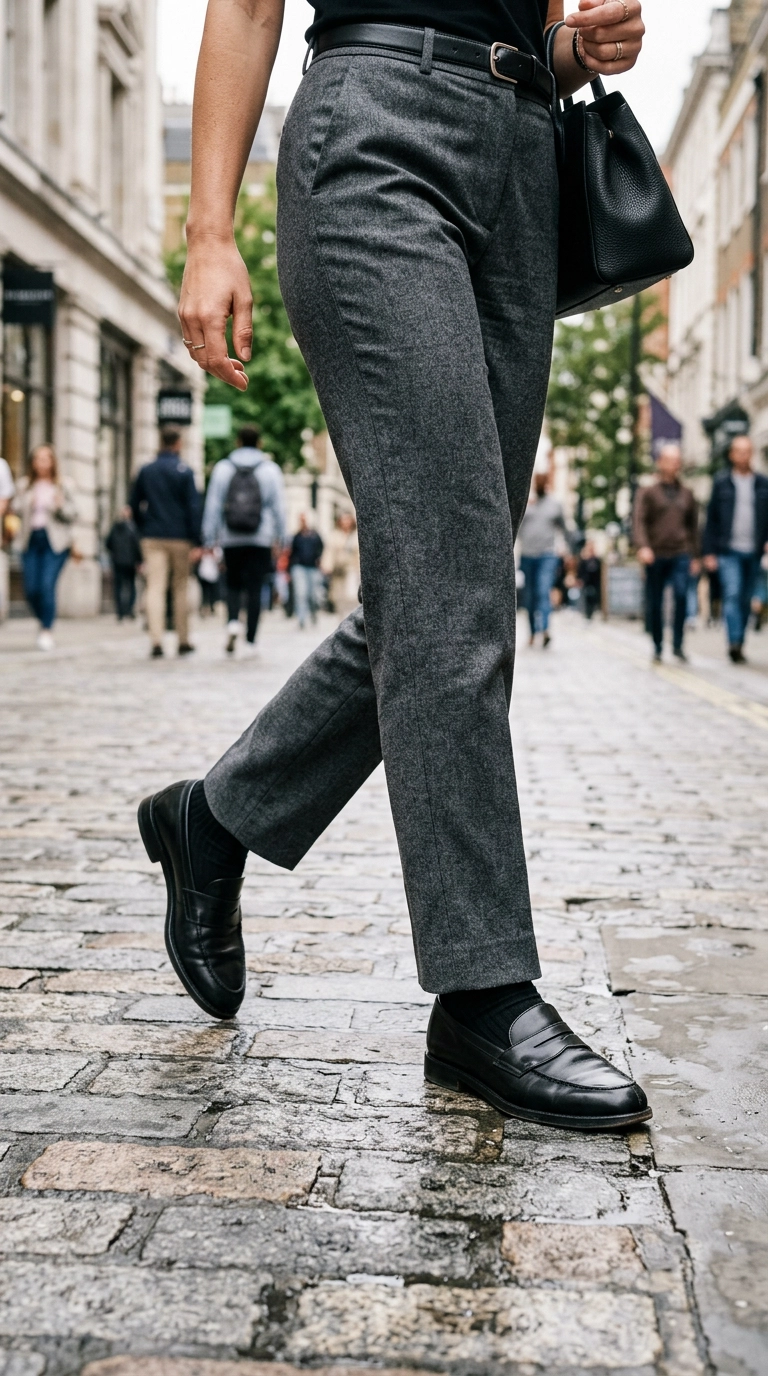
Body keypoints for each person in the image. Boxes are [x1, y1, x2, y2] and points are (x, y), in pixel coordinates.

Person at [137, 0, 651, 1134]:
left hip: (523, 149)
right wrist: (209, 231)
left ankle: (212, 821)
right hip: (377, 132)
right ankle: (481, 992)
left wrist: (574, 49)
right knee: (453, 594)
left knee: (438, 586)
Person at [201, 424, 287, 654]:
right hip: (261, 538)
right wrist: (282, 538)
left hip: (231, 537)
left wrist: (209, 539)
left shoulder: (223, 468)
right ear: (260, 443)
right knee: (255, 588)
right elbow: (279, 507)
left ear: (238, 442)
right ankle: (250, 640)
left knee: (232, 584)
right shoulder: (270, 469)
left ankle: (231, 622)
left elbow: (213, 505)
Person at [130, 426, 201, 659]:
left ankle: (156, 639)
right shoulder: (185, 471)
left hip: (153, 536)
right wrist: (196, 539)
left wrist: (144, 527)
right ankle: (183, 639)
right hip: (180, 536)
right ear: (178, 443)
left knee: (155, 587)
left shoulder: (147, 470)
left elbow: (133, 503)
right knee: (180, 586)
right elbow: (193, 507)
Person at [703, 435, 768, 664]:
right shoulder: (722, 482)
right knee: (732, 593)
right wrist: (708, 552)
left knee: (745, 598)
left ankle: (740, 641)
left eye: (747, 451)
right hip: (728, 550)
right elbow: (711, 519)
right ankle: (733, 643)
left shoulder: (762, 483)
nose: (743, 455)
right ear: (731, 455)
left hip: (754, 550)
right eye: (739, 451)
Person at [633, 443, 699, 664]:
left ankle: (679, 644)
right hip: (656, 553)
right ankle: (658, 644)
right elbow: (639, 521)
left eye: (677, 460)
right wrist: (643, 546)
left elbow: (694, 527)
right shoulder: (648, 492)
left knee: (681, 596)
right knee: (656, 601)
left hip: (681, 553)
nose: (674, 464)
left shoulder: (687, 494)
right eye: (669, 459)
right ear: (660, 462)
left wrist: (695, 556)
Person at [14, 444, 76, 650]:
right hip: (30, 540)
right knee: (31, 589)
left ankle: (46, 630)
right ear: (32, 462)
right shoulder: (24, 486)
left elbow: (74, 513)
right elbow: (14, 509)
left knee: (46, 586)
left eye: (46, 458)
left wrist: (59, 506)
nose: (42, 463)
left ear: (52, 462)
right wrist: (26, 502)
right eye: (38, 459)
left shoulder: (63, 485)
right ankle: (44, 620)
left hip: (55, 543)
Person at [518, 471, 567, 647]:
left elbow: (564, 528)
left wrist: (568, 550)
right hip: (527, 556)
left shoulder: (555, 505)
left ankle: (545, 629)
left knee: (543, 590)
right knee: (530, 596)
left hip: (547, 555)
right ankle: (532, 632)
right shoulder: (526, 504)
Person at [106, 506, 143, 621]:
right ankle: (128, 610)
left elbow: (108, 543)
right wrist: (139, 560)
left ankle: (121, 611)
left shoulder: (115, 527)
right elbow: (137, 545)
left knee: (120, 586)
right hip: (129, 562)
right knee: (130, 586)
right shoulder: (133, 528)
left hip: (118, 561)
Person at [290, 514, 324, 628]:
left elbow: (321, 548)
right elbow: (291, 553)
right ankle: (301, 619)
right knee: (301, 594)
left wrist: (319, 560)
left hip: (312, 568)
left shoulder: (315, 536)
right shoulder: (297, 536)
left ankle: (313, 613)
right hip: (299, 567)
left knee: (312, 595)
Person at [323, 511, 360, 616]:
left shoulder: (357, 534)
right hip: (338, 571)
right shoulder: (335, 534)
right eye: (343, 520)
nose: (346, 522)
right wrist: (327, 566)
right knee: (338, 596)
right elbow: (329, 551)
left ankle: (352, 617)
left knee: (352, 595)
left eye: (348, 519)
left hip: (353, 569)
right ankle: (342, 617)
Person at [576, 540, 602, 619]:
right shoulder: (584, 560)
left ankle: (592, 612)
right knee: (585, 598)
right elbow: (580, 571)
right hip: (586, 583)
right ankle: (586, 613)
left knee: (593, 598)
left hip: (595, 584)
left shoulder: (597, 560)